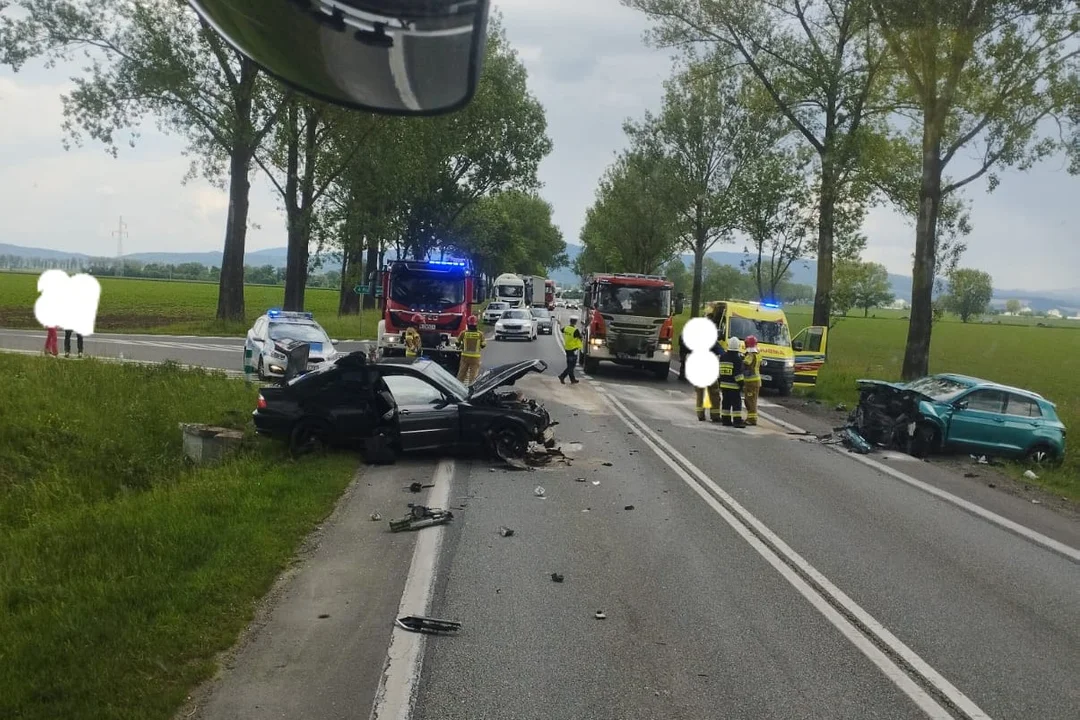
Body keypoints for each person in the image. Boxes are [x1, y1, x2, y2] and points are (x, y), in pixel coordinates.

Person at [718, 335, 746, 428]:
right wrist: (741, 384)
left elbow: (720, 371)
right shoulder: (737, 359)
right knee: (736, 404)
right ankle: (737, 421)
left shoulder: (723, 357)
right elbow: (738, 374)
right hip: (734, 387)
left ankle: (725, 420)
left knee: (725, 403)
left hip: (723, 385)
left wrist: (720, 383)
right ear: (738, 346)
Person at [456, 315, 486, 384]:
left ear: (468, 324)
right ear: (476, 324)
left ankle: (458, 386)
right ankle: (471, 389)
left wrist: (460, 346)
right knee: (473, 375)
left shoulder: (464, 333)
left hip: (464, 357)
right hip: (475, 358)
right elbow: (483, 344)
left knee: (461, 374)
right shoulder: (480, 334)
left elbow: (457, 342)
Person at [742, 335, 762, 426]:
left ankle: (752, 419)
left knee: (750, 401)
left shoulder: (750, 355)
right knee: (751, 400)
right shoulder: (758, 354)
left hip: (751, 382)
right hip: (755, 381)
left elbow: (746, 363)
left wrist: (740, 359)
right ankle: (750, 418)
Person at [559, 316, 583, 385]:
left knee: (569, 364)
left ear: (570, 321)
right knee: (572, 365)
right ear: (575, 322)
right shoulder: (575, 330)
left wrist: (560, 323)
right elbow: (580, 337)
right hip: (573, 349)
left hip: (567, 348)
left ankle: (572, 379)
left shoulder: (566, 328)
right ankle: (562, 376)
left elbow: (561, 330)